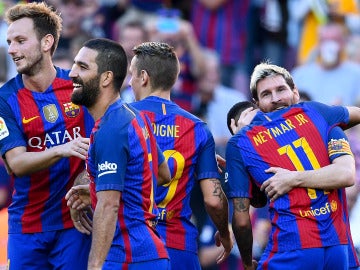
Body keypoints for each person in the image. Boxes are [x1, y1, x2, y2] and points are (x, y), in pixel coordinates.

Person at [226, 62, 359, 269]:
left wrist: (247, 264)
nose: (276, 98)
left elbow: (242, 221)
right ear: (257, 104)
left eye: (280, 89)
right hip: (338, 249)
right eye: (267, 94)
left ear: (295, 92)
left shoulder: (242, 142)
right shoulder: (320, 114)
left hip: (292, 250)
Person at [0, 2, 94, 269]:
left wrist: (86, 175)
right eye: (9, 42)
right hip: (28, 226)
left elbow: (104, 139)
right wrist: (62, 149)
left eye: (20, 40)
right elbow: (16, 164)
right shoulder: (4, 100)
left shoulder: (79, 87)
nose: (12, 50)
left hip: (75, 224)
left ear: (46, 42)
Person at [129, 42, 233, 269]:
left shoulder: (122, 120)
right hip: (179, 246)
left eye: (132, 75)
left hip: (132, 243)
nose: (130, 82)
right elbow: (213, 200)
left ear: (144, 77)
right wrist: (224, 232)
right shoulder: (197, 128)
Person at [69, 38, 171, 269]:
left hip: (128, 256)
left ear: (106, 77)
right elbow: (162, 173)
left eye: (83, 67)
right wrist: (97, 190)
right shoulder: (133, 117)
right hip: (149, 252)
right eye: (75, 64)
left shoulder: (112, 130)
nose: (72, 73)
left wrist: (94, 266)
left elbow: (108, 206)